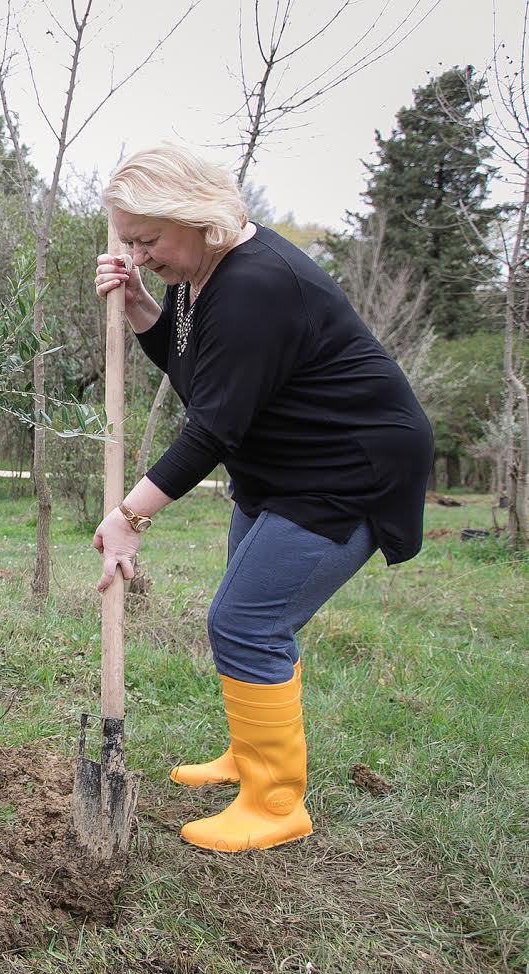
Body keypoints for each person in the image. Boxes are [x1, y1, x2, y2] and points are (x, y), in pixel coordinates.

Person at [92, 145, 432, 853]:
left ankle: (275, 802)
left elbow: (212, 424)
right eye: (127, 239)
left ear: (198, 218)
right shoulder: (205, 274)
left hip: (344, 472)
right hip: (281, 468)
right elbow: (200, 375)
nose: (136, 252)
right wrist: (141, 307)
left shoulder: (256, 285)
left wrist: (130, 515)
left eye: (146, 239)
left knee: (246, 622)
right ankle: (250, 757)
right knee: (248, 618)